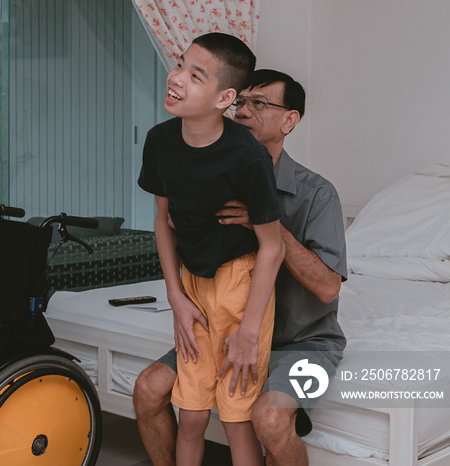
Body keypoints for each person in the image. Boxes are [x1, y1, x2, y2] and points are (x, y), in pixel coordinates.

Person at [133, 68, 347, 466]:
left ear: (290, 120)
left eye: (260, 103)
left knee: (268, 418)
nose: (244, 112)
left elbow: (328, 288)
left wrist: (265, 221)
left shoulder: (317, 194)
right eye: (240, 103)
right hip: (224, 326)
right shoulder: (220, 177)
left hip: (300, 342)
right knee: (147, 388)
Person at [137, 34, 286, 466]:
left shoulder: (248, 156)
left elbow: (272, 249)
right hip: (193, 281)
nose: (177, 77)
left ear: (225, 98)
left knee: (238, 420)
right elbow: (163, 222)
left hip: (241, 283)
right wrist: (175, 298)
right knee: (192, 416)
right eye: (181, 65)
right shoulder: (160, 141)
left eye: (195, 74)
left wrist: (248, 332)